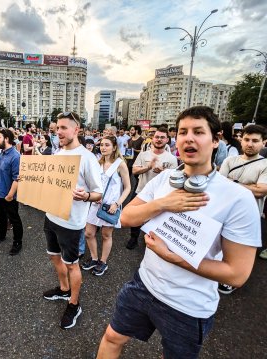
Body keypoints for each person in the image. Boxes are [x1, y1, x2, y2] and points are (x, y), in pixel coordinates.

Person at [96, 106, 261, 359]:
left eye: (198, 131)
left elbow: (236, 274)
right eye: (183, 132)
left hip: (189, 305)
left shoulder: (238, 198)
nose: (189, 138)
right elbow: (127, 217)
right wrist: (163, 203)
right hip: (144, 284)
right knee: (111, 338)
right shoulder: (165, 181)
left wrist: (176, 258)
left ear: (216, 140)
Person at [42, 111, 102, 329]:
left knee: (72, 264)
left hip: (71, 223)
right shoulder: (57, 154)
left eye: (64, 128)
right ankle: (63, 289)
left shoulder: (87, 158)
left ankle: (74, 303)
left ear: (76, 130)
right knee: (55, 258)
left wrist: (85, 196)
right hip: (51, 217)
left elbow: (98, 193)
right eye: (57, 128)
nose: (59, 132)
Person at [81, 136, 131, 276]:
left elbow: (128, 188)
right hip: (96, 203)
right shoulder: (98, 163)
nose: (103, 147)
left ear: (114, 147)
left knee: (106, 235)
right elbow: (93, 183)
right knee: (89, 233)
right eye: (102, 144)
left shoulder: (120, 164)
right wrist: (93, 194)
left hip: (111, 206)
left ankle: (103, 262)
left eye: (107, 145)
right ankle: (94, 258)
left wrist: (117, 204)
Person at [219, 124, 267, 266]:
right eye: (246, 139)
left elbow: (260, 191)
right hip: (225, 212)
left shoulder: (265, 165)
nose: (249, 144)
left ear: (264, 142)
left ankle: (229, 281)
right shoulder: (230, 160)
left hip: (249, 217)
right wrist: (250, 186)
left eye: (255, 141)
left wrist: (232, 181)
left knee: (239, 254)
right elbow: (220, 186)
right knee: (219, 248)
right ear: (241, 140)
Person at [126, 127, 177, 250]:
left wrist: (162, 171)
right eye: (157, 137)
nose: (159, 140)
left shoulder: (171, 158)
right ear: (152, 139)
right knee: (135, 216)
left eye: (162, 137)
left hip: (160, 195)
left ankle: (151, 239)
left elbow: (174, 178)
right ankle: (134, 237)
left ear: (167, 140)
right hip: (141, 190)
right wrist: (148, 167)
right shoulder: (144, 155)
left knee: (156, 218)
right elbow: (134, 170)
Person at [0, 128, 23, 255]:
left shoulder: (15, 156)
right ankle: (1, 235)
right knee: (1, 216)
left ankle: (17, 242)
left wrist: (10, 195)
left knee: (14, 219)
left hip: (8, 196)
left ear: (6, 139)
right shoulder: (1, 153)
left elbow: (17, 178)